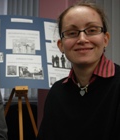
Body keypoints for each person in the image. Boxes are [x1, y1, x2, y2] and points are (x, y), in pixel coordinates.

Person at [37, 1, 120, 140]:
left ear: (105, 39)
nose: (82, 39)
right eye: (72, 33)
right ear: (61, 45)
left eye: (92, 30)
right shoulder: (56, 93)